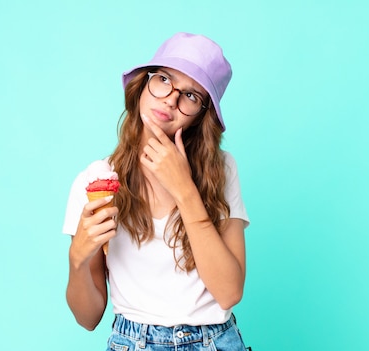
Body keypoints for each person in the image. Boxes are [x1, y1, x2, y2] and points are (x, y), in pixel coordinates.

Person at [62, 32, 250, 351]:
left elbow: (229, 292)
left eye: (191, 95)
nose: (171, 99)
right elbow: (88, 317)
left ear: (202, 115)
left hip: (213, 341)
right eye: (164, 79)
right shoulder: (97, 179)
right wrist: (78, 259)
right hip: (132, 342)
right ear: (142, 85)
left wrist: (184, 190)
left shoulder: (222, 169)